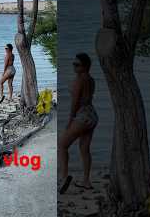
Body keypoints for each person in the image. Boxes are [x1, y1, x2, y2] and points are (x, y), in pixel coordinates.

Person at [58, 53, 98, 194]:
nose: (74, 67)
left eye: (77, 65)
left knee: (62, 145)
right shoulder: (91, 80)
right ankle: (86, 181)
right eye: (73, 64)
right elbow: (88, 98)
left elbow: (75, 102)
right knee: (84, 148)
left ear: (85, 66)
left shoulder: (79, 81)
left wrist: (70, 119)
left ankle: (64, 177)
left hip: (81, 116)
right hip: (92, 115)